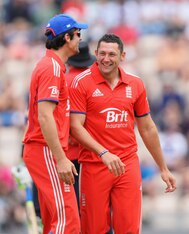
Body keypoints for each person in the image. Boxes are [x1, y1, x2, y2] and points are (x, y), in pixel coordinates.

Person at [69, 33, 177, 234]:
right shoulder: (81, 83)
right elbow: (75, 127)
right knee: (93, 229)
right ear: (95, 54)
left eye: (111, 54)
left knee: (128, 229)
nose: (106, 59)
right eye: (102, 53)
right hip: (94, 165)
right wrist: (104, 153)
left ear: (123, 56)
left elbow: (147, 128)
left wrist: (163, 167)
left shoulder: (135, 84)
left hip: (127, 165)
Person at [22, 13, 88, 234]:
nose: (80, 38)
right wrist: (60, 158)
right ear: (67, 38)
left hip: (44, 150)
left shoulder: (52, 65)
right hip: (46, 151)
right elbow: (45, 116)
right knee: (68, 221)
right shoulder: (51, 67)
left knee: (54, 222)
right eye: (78, 34)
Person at [65, 41, 96, 207]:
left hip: (69, 154)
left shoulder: (63, 81)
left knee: (74, 207)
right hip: (93, 152)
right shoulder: (95, 81)